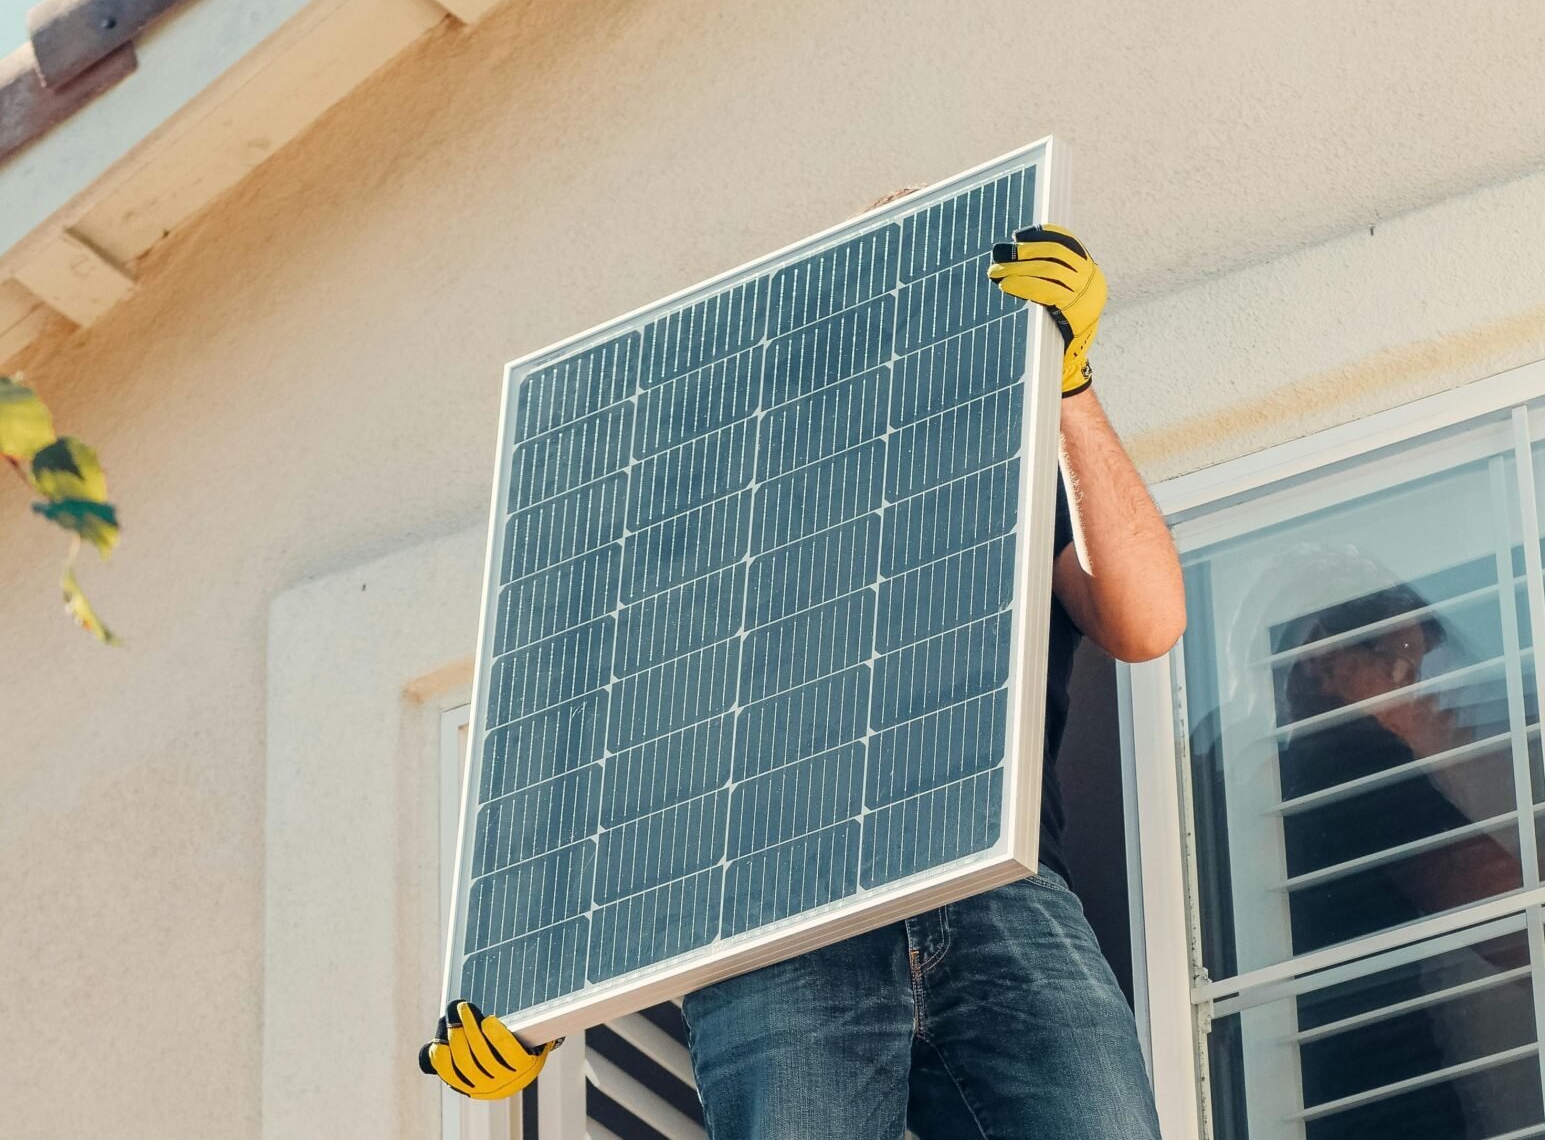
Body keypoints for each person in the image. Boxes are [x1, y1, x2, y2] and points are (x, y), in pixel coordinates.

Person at [423, 222, 1186, 1139]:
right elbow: (585, 748)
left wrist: (1067, 389)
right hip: (767, 928)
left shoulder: (1001, 470)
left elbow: (1145, 621)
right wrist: (527, 990)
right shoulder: (693, 541)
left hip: (997, 887)